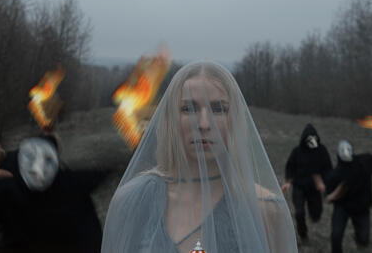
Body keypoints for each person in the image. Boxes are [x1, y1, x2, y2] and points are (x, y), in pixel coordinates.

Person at [101, 61, 298, 253]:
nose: (204, 124)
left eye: (218, 108)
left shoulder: (266, 210)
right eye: (189, 108)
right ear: (171, 118)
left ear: (235, 119)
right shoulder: (132, 202)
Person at [0, 132, 109, 253]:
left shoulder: (73, 196)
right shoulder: (10, 195)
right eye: (30, 157)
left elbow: (92, 242)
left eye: (47, 159)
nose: (37, 169)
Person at [281, 123, 333, 243]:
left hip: (314, 188)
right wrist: (288, 180)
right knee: (299, 213)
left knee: (316, 214)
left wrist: (324, 182)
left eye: (314, 138)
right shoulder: (297, 151)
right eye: (309, 138)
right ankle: (303, 235)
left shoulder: (322, 151)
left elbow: (328, 168)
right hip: (299, 187)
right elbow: (290, 167)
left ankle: (315, 215)